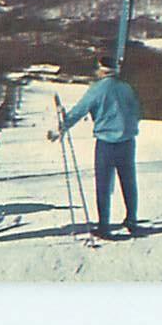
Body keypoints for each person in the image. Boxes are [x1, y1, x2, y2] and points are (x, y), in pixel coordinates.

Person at [56, 55, 143, 239]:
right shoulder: (126, 88)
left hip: (106, 142)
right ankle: (132, 220)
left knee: (103, 183)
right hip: (127, 141)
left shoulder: (97, 89)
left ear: (102, 70)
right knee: (128, 181)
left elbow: (80, 109)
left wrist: (63, 125)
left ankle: (104, 225)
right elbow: (136, 110)